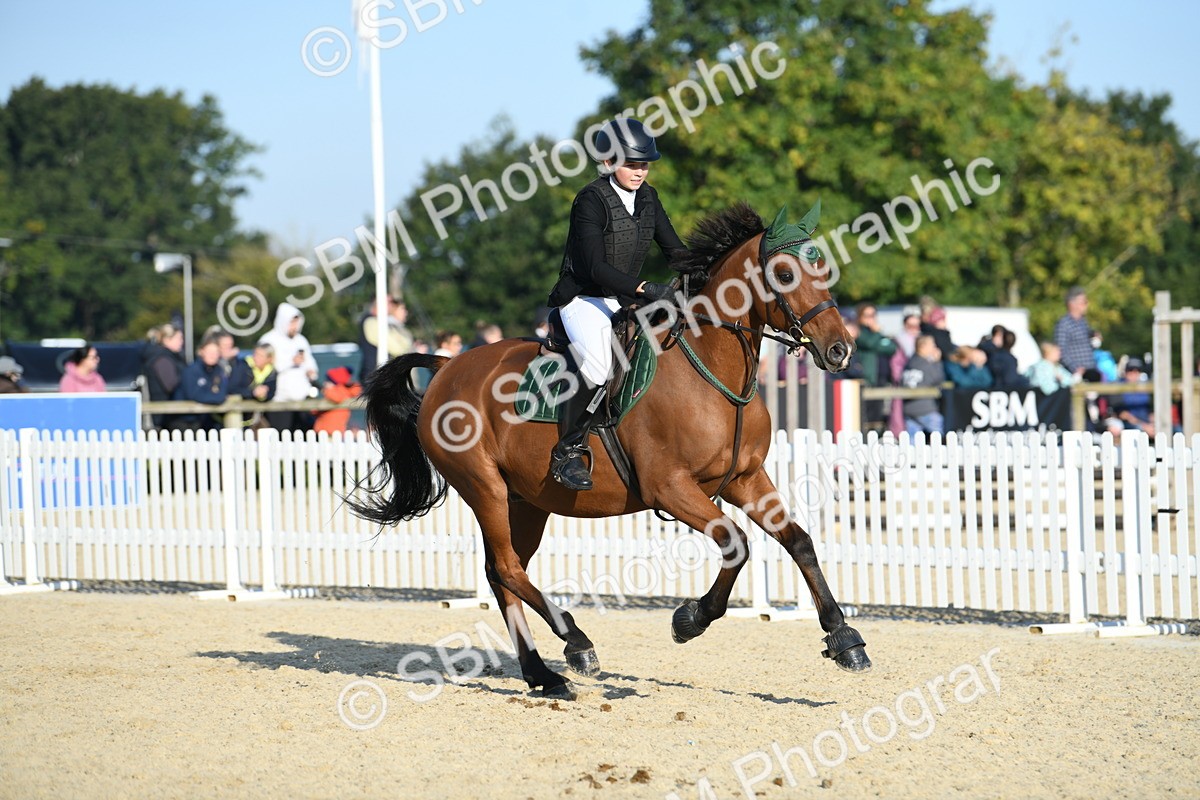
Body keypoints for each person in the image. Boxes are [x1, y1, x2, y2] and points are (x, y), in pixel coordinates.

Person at [543, 117, 689, 490]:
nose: (640, 172)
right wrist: (646, 287)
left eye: (644, 164)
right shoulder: (590, 200)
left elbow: (675, 251)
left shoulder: (649, 198)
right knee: (598, 365)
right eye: (632, 164)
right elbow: (596, 268)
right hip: (584, 299)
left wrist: (709, 268)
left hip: (623, 300)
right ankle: (567, 452)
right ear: (608, 162)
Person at [259, 302, 319, 432]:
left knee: (304, 435)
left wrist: (311, 371)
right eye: (292, 323)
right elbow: (265, 367)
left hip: (302, 399)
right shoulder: (269, 340)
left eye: (297, 323)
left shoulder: (301, 340)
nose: (295, 327)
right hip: (279, 400)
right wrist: (291, 362)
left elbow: (310, 361)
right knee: (281, 436)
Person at [853, 303, 897, 429]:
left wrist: (877, 339)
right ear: (860, 317)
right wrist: (877, 334)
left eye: (873, 315)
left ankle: (877, 433)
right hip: (868, 377)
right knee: (867, 413)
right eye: (867, 315)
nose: (871, 319)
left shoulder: (876, 333)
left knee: (879, 411)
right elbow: (869, 343)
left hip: (881, 377)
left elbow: (891, 348)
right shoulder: (859, 332)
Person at [172, 336, 228, 430]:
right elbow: (195, 395)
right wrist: (217, 398)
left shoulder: (219, 370)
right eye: (209, 352)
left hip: (205, 420)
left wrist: (217, 397)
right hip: (184, 420)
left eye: (216, 352)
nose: (213, 355)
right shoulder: (191, 370)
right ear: (201, 352)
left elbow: (223, 391)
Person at [357, 295, 414, 382]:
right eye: (389, 303)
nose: (392, 306)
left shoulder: (383, 323)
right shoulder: (371, 322)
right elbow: (398, 349)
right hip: (374, 376)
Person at [142, 323, 187, 428]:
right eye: (178, 338)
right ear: (167, 340)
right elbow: (171, 385)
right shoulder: (162, 359)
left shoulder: (170, 357)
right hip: (166, 415)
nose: (182, 342)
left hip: (170, 412)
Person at [902, 335, 945, 436]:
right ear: (923, 346)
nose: (934, 348)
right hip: (924, 408)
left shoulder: (909, 362)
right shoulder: (925, 364)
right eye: (932, 345)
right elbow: (938, 379)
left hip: (908, 408)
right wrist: (937, 362)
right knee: (938, 438)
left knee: (912, 441)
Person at [228, 342, 277, 428]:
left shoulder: (272, 372)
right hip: (235, 415)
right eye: (255, 354)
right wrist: (252, 392)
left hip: (253, 419)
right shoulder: (242, 366)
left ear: (269, 359)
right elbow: (232, 388)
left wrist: (263, 395)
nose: (256, 358)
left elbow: (271, 393)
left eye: (260, 356)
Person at [1054, 287, 1097, 379]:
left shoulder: (1083, 322)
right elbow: (1061, 350)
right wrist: (1075, 369)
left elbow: (1086, 347)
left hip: (1090, 370)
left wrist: (1095, 340)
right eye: (1084, 302)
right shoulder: (1064, 324)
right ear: (1072, 304)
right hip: (1074, 374)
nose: (1087, 305)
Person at [1110, 358, 1155, 436]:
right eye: (1130, 370)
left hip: (1146, 423)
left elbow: (1150, 410)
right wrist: (1144, 426)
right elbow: (1123, 414)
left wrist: (1153, 422)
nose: (1134, 373)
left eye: (1137, 371)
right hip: (1128, 424)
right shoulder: (1118, 386)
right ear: (1126, 372)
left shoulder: (1145, 387)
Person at [313, 366, 363, 435]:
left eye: (328, 381)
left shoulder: (340, 393)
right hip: (326, 430)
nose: (325, 383)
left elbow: (337, 397)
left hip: (332, 430)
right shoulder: (337, 394)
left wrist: (324, 389)